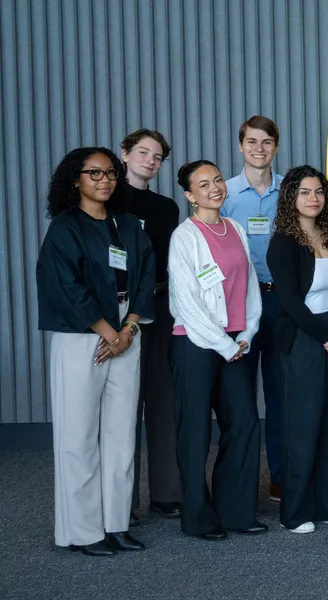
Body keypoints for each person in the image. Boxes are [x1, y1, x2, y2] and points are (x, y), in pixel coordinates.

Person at [37, 147, 155, 556]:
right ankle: (84, 531)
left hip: (126, 328)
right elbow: (67, 287)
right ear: (75, 179)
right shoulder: (65, 228)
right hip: (82, 334)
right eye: (94, 173)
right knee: (79, 436)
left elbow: (146, 275)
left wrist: (128, 327)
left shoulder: (127, 224)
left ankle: (116, 523)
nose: (104, 180)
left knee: (121, 435)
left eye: (109, 173)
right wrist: (109, 332)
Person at [169, 160, 266, 540]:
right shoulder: (185, 236)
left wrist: (248, 332)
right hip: (195, 344)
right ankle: (198, 518)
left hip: (237, 343)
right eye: (203, 184)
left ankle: (236, 511)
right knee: (194, 433)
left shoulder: (235, 228)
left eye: (218, 180)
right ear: (190, 195)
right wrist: (224, 344)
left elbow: (250, 288)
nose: (215, 188)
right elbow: (187, 301)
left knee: (242, 424)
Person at [267, 166, 328, 534]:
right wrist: (326, 334)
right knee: (303, 425)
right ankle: (296, 511)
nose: (313, 198)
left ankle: (325, 504)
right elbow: (289, 300)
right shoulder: (283, 241)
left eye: (319, 192)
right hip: (304, 338)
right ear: (291, 197)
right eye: (305, 192)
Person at [220, 115, 286, 501]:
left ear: (275, 147)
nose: (259, 149)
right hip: (239, 303)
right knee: (238, 396)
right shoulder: (222, 194)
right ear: (240, 146)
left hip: (280, 300)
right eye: (252, 142)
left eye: (266, 143)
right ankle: (240, 482)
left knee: (281, 393)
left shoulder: (290, 191)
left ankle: (279, 476)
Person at [120, 129, 183, 523]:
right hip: (122, 309)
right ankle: (121, 501)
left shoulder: (166, 207)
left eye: (157, 156)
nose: (150, 160)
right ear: (124, 154)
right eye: (143, 152)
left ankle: (166, 494)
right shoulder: (106, 199)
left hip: (159, 307)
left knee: (163, 403)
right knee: (123, 407)